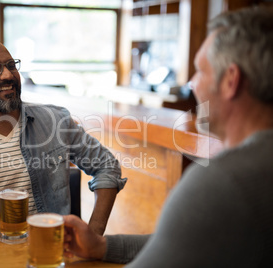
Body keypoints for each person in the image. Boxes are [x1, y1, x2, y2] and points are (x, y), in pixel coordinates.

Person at [63, 6, 273, 267]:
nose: (192, 83)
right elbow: (189, 241)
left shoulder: (225, 182)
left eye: (200, 71)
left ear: (231, 80)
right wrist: (102, 246)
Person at [0, 38, 127, 235]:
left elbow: (106, 165)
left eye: (11, 65)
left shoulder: (56, 121)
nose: (7, 75)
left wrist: (94, 234)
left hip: (49, 248)